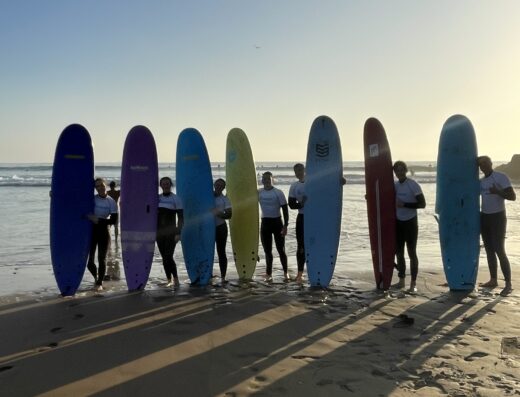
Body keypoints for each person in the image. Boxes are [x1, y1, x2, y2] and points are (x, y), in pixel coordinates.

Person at [478, 155, 516, 296]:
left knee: (499, 249)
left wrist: (498, 192)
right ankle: (493, 280)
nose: (483, 166)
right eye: (481, 165)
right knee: (489, 250)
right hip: (484, 217)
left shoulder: (501, 177)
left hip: (498, 217)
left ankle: (508, 284)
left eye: (485, 163)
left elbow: (513, 196)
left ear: (491, 163)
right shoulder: (480, 182)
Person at [393, 161, 426, 293]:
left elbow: (422, 204)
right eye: (397, 170)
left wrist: (405, 205)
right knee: (399, 253)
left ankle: (413, 284)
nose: (399, 172)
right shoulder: (394, 186)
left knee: (412, 253)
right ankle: (401, 281)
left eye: (401, 169)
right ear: (394, 172)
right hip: (398, 222)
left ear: (405, 170)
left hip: (411, 223)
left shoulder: (413, 185)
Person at [86, 178, 119, 291]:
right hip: (91, 231)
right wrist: (55, 195)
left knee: (102, 259)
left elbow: (113, 220)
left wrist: (98, 220)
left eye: (101, 185)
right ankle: (96, 278)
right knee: (90, 261)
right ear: (95, 188)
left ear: (106, 185)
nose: (100, 187)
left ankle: (99, 282)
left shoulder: (111, 202)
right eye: (97, 186)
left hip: (104, 231)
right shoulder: (92, 199)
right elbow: (77, 203)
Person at [258, 171, 289, 281]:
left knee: (281, 250)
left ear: (272, 180)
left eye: (268, 179)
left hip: (277, 223)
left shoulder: (278, 192)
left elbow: (285, 209)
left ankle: (286, 273)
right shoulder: (259, 192)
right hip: (265, 223)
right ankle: (269, 274)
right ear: (262, 180)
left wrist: (285, 225)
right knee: (267, 251)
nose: (266, 180)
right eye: (264, 179)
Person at [156, 176, 183, 287]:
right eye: (163, 183)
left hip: (171, 232)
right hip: (159, 232)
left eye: (167, 183)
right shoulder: (157, 198)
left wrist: (178, 233)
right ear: (160, 185)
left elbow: (181, 218)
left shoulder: (176, 199)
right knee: (164, 257)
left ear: (170, 185)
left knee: (168, 256)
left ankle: (175, 279)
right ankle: (168, 279)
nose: (166, 185)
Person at [288, 163, 306, 283]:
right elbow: (291, 204)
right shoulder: (294, 186)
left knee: (314, 245)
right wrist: (302, 204)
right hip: (302, 217)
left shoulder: (313, 181)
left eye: (300, 170)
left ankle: (316, 270)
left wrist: (340, 180)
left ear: (304, 170)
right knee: (300, 246)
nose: (298, 172)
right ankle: (300, 274)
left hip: (315, 218)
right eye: (296, 171)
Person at [213, 178, 232, 282]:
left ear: (224, 188)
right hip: (208, 229)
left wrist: (218, 213)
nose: (219, 186)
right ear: (214, 184)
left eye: (221, 185)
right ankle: (208, 274)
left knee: (221, 252)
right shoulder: (207, 196)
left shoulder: (225, 199)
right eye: (217, 184)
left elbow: (229, 215)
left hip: (220, 228)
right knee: (208, 251)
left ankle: (223, 276)